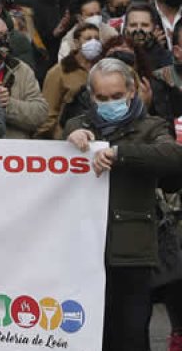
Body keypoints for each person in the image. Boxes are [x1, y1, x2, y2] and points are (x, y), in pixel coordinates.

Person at [64, 58, 182, 351]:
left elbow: (171, 156)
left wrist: (120, 154)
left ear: (131, 92)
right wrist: (70, 138)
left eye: (116, 96)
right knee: (91, 333)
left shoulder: (151, 126)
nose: (109, 103)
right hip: (86, 246)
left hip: (133, 248)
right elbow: (61, 146)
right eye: (102, 98)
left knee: (131, 333)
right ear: (91, 96)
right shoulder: (80, 125)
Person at [38, 22, 102, 140]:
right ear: (77, 43)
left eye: (97, 39)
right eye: (88, 39)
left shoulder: (104, 69)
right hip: (67, 136)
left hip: (99, 134)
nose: (94, 42)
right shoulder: (59, 71)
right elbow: (49, 111)